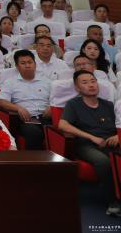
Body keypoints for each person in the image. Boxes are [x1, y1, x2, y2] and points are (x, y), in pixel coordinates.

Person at [57, 70, 121, 214]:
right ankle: (112, 202)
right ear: (77, 87)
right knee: (103, 161)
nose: (91, 85)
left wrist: (118, 136)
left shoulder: (108, 105)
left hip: (110, 142)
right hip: (86, 144)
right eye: (85, 82)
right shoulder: (73, 104)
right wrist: (91, 137)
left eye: (93, 81)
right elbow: (63, 125)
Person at [0, 50, 51, 149]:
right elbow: (1, 102)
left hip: (46, 117)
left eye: (30, 62)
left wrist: (52, 108)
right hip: (25, 119)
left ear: (35, 64)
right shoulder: (10, 82)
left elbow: (57, 100)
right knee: (34, 133)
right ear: (17, 67)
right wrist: (18, 108)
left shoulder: (47, 81)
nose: (27, 65)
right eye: (23, 63)